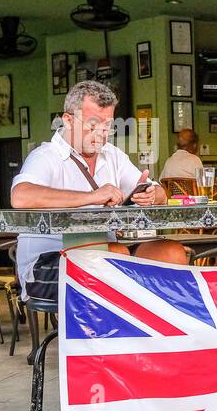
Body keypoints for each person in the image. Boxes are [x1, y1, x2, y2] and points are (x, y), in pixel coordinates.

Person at [11, 80, 168, 299]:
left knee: (168, 253)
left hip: (103, 255)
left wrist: (151, 194)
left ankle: (151, 326)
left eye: (107, 127)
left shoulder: (113, 155)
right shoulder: (45, 156)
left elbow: (161, 193)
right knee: (116, 254)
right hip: (46, 267)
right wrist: (92, 196)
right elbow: (21, 196)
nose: (101, 134)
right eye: (92, 126)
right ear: (67, 120)